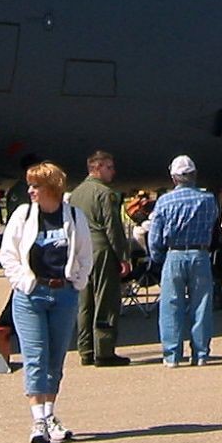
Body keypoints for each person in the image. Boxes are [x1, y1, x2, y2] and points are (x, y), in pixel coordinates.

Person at [0, 162, 92, 443]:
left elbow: (85, 254)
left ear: (51, 188)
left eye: (36, 186)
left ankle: (50, 415)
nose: (30, 191)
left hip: (62, 294)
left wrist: (77, 281)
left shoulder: (74, 216)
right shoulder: (23, 215)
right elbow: (8, 254)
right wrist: (22, 282)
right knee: (35, 356)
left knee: (55, 359)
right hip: (31, 295)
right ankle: (37, 420)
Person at [145, 155, 219, 367]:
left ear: (174, 178)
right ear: (194, 175)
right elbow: (213, 226)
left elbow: (155, 236)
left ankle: (172, 355)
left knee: (171, 305)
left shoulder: (164, 201)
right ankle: (201, 353)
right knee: (202, 304)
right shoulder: (208, 199)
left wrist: (158, 257)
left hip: (174, 254)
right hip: (200, 254)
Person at [68, 151, 132, 366]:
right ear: (96, 168)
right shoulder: (105, 193)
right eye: (109, 167)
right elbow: (112, 227)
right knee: (105, 300)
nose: (113, 172)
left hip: (81, 250)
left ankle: (85, 349)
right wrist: (123, 256)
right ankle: (104, 351)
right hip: (101, 249)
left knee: (84, 303)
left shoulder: (76, 193)